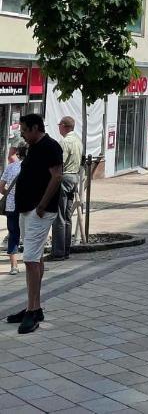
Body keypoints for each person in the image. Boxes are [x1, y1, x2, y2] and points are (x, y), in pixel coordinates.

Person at [6, 114, 63, 335]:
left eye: (25, 130)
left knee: (29, 259)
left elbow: (56, 176)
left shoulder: (50, 146)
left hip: (39, 212)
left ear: (36, 128)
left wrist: (42, 205)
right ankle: (33, 307)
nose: (22, 133)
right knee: (35, 257)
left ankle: (32, 311)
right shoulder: (33, 147)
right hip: (27, 209)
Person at [49, 115, 83, 261]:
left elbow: (59, 163)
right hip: (75, 177)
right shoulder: (78, 140)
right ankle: (66, 250)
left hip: (64, 177)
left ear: (64, 126)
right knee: (67, 216)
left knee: (59, 216)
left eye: (59, 125)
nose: (58, 128)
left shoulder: (65, 142)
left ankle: (58, 252)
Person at [1, 138, 26, 275]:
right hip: (26, 207)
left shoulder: (10, 167)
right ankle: (33, 263)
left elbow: (1, 188)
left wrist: (10, 195)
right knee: (29, 235)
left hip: (11, 206)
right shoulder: (30, 167)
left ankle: (14, 266)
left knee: (13, 235)